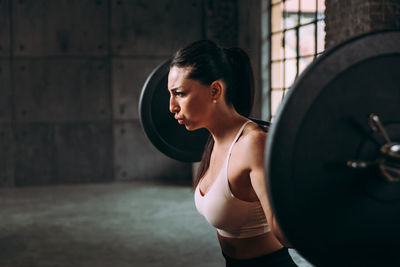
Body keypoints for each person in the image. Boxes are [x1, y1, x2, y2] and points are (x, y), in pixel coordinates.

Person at [167, 40, 297, 267]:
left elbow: (286, 233)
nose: (172, 106)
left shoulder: (253, 143)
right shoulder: (213, 141)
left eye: (179, 94)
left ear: (215, 90)